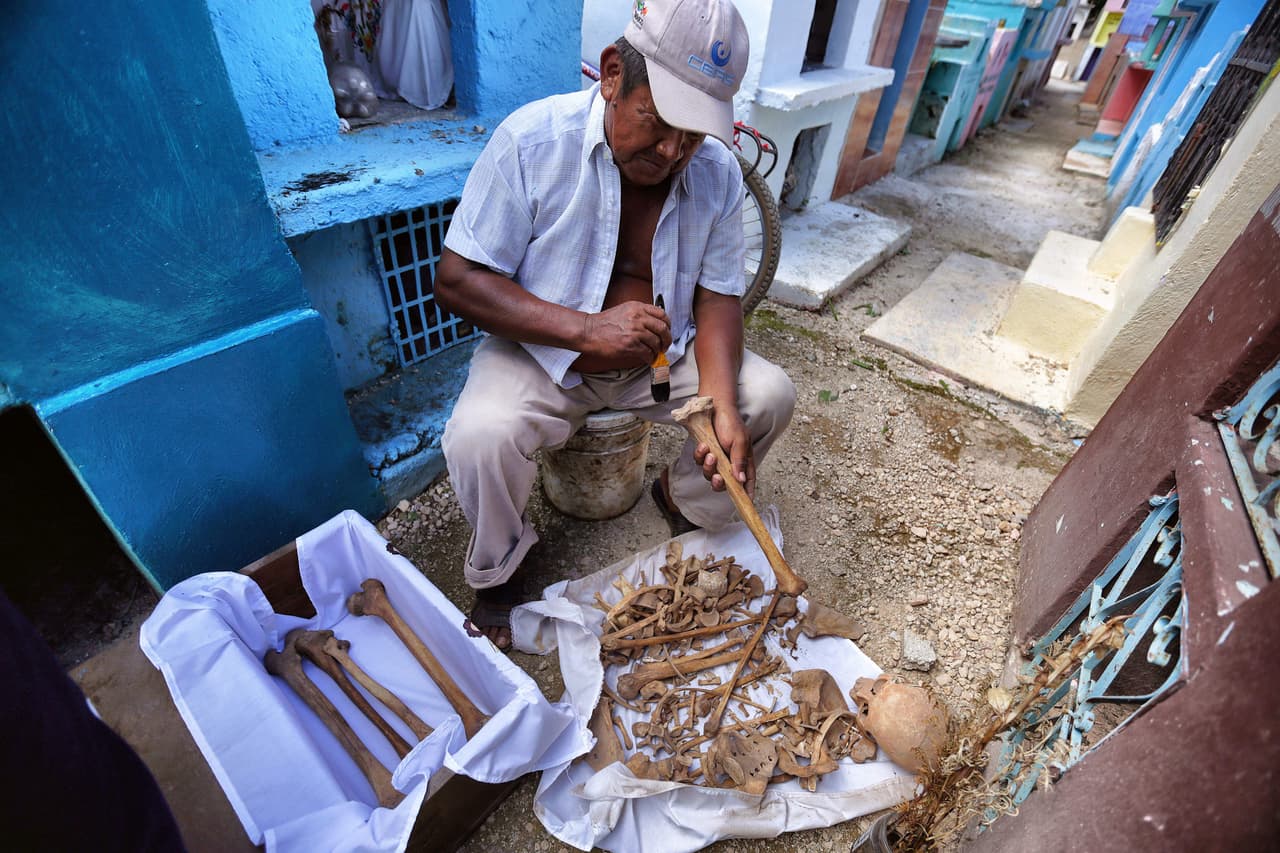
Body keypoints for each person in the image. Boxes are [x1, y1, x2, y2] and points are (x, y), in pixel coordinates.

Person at [436, 0, 795, 649]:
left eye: (692, 135)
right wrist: (582, 330)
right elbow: (457, 279)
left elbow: (717, 300)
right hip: (544, 353)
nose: (671, 150)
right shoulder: (531, 141)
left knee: (767, 396)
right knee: (478, 435)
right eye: (658, 122)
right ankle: (499, 571)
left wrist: (718, 406)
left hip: (657, 365)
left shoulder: (713, 174)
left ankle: (682, 497)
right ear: (611, 76)